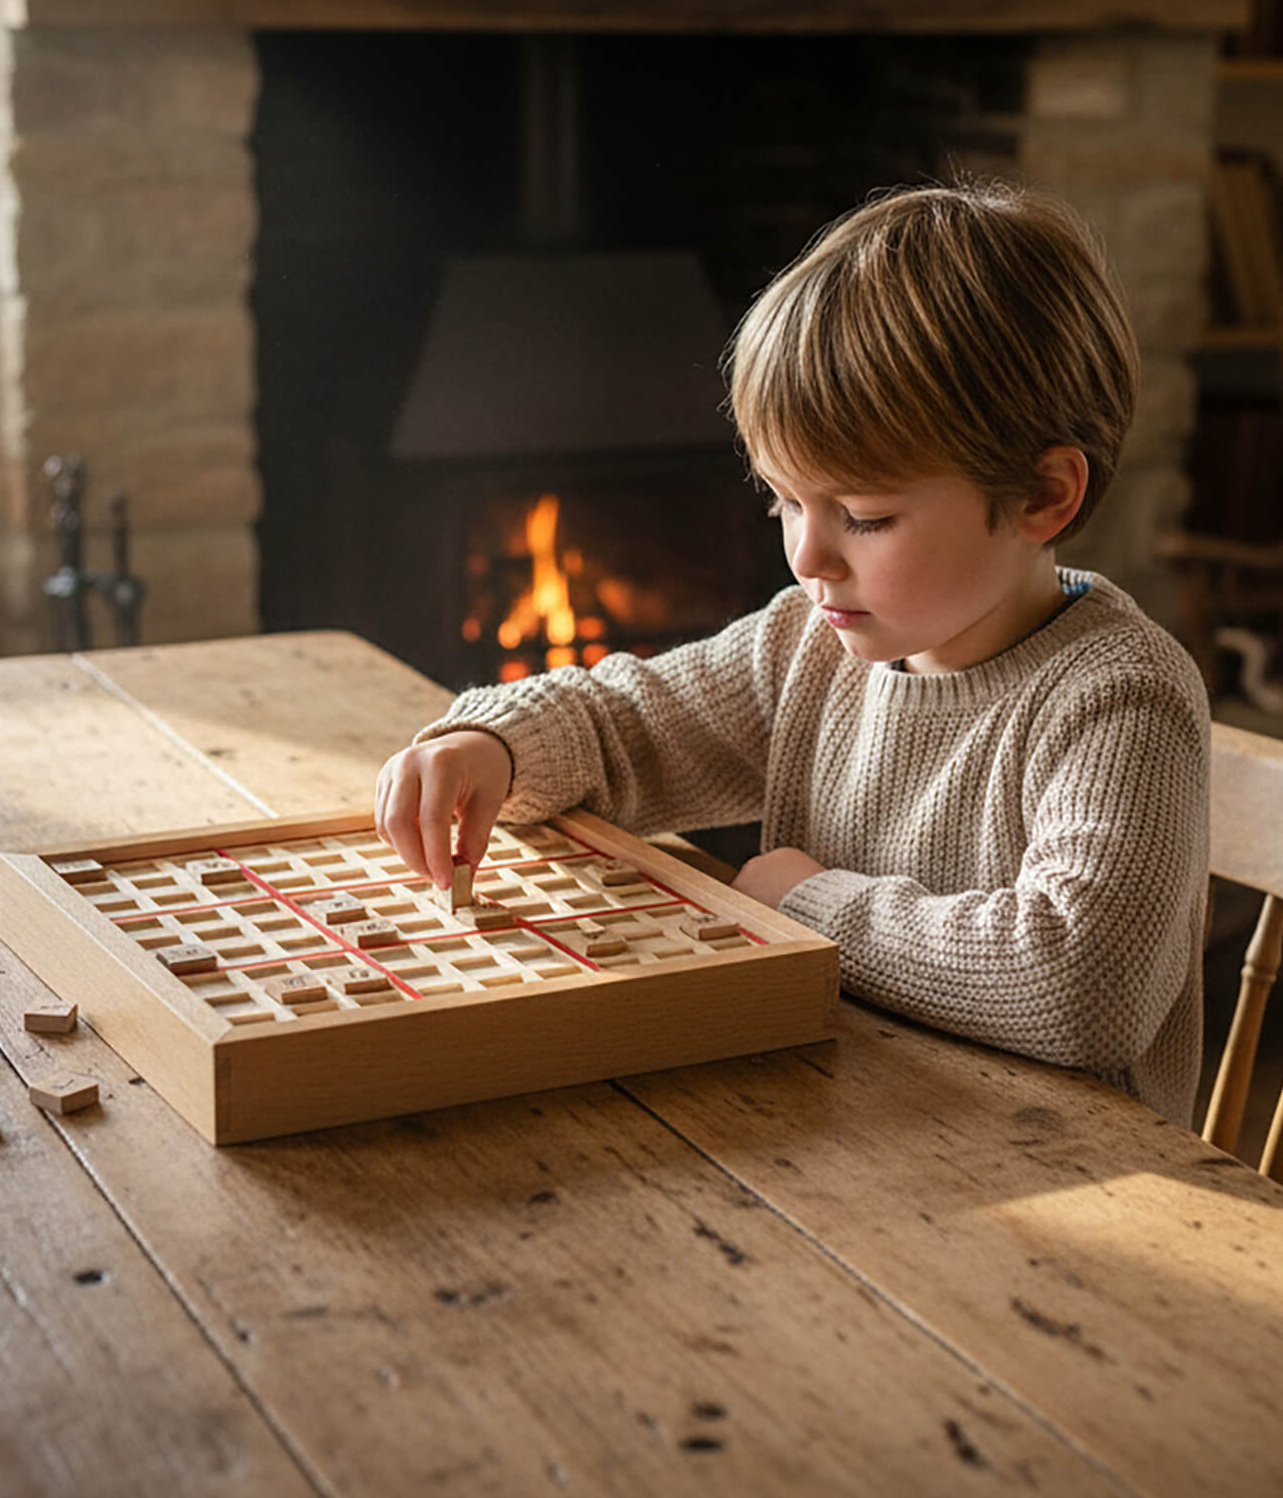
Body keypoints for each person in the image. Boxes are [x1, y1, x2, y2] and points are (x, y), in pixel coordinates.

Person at [375, 180, 1210, 1126]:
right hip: (842, 1121)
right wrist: (496, 747)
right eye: (783, 502)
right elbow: (627, 724)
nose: (808, 556)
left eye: (863, 515)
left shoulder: (1119, 699)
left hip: (1061, 1182)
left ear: (1042, 497)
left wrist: (807, 903)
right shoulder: (809, 645)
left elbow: (1082, 987)